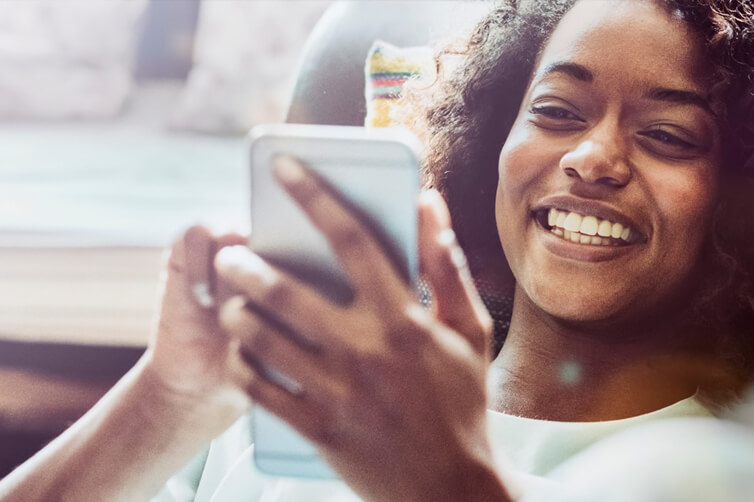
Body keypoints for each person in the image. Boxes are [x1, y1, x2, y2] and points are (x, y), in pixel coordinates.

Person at [1, 0, 753, 500]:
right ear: (494, 145)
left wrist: (444, 480)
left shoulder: (713, 465)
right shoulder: (286, 395)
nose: (592, 157)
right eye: (555, 110)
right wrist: (168, 398)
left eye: (668, 136)